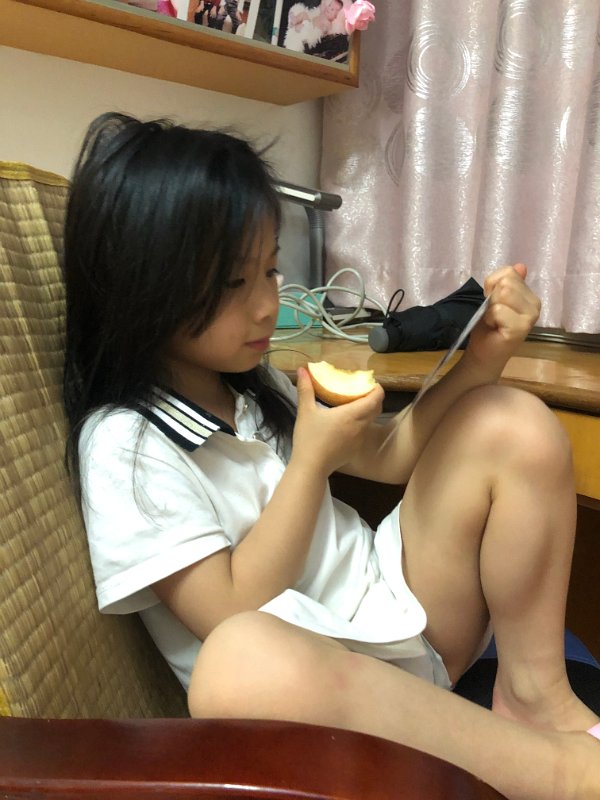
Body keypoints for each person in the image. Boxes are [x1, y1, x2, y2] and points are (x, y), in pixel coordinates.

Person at [63, 111, 600, 800]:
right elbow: (229, 611)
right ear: (142, 288)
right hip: (333, 690)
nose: (268, 305)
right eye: (233, 284)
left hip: (404, 611)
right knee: (236, 660)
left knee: (512, 421)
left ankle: (534, 694)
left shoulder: (248, 384)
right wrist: (309, 465)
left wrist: (482, 360)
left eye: (269, 269)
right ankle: (556, 774)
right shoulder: (125, 445)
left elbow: (391, 457)